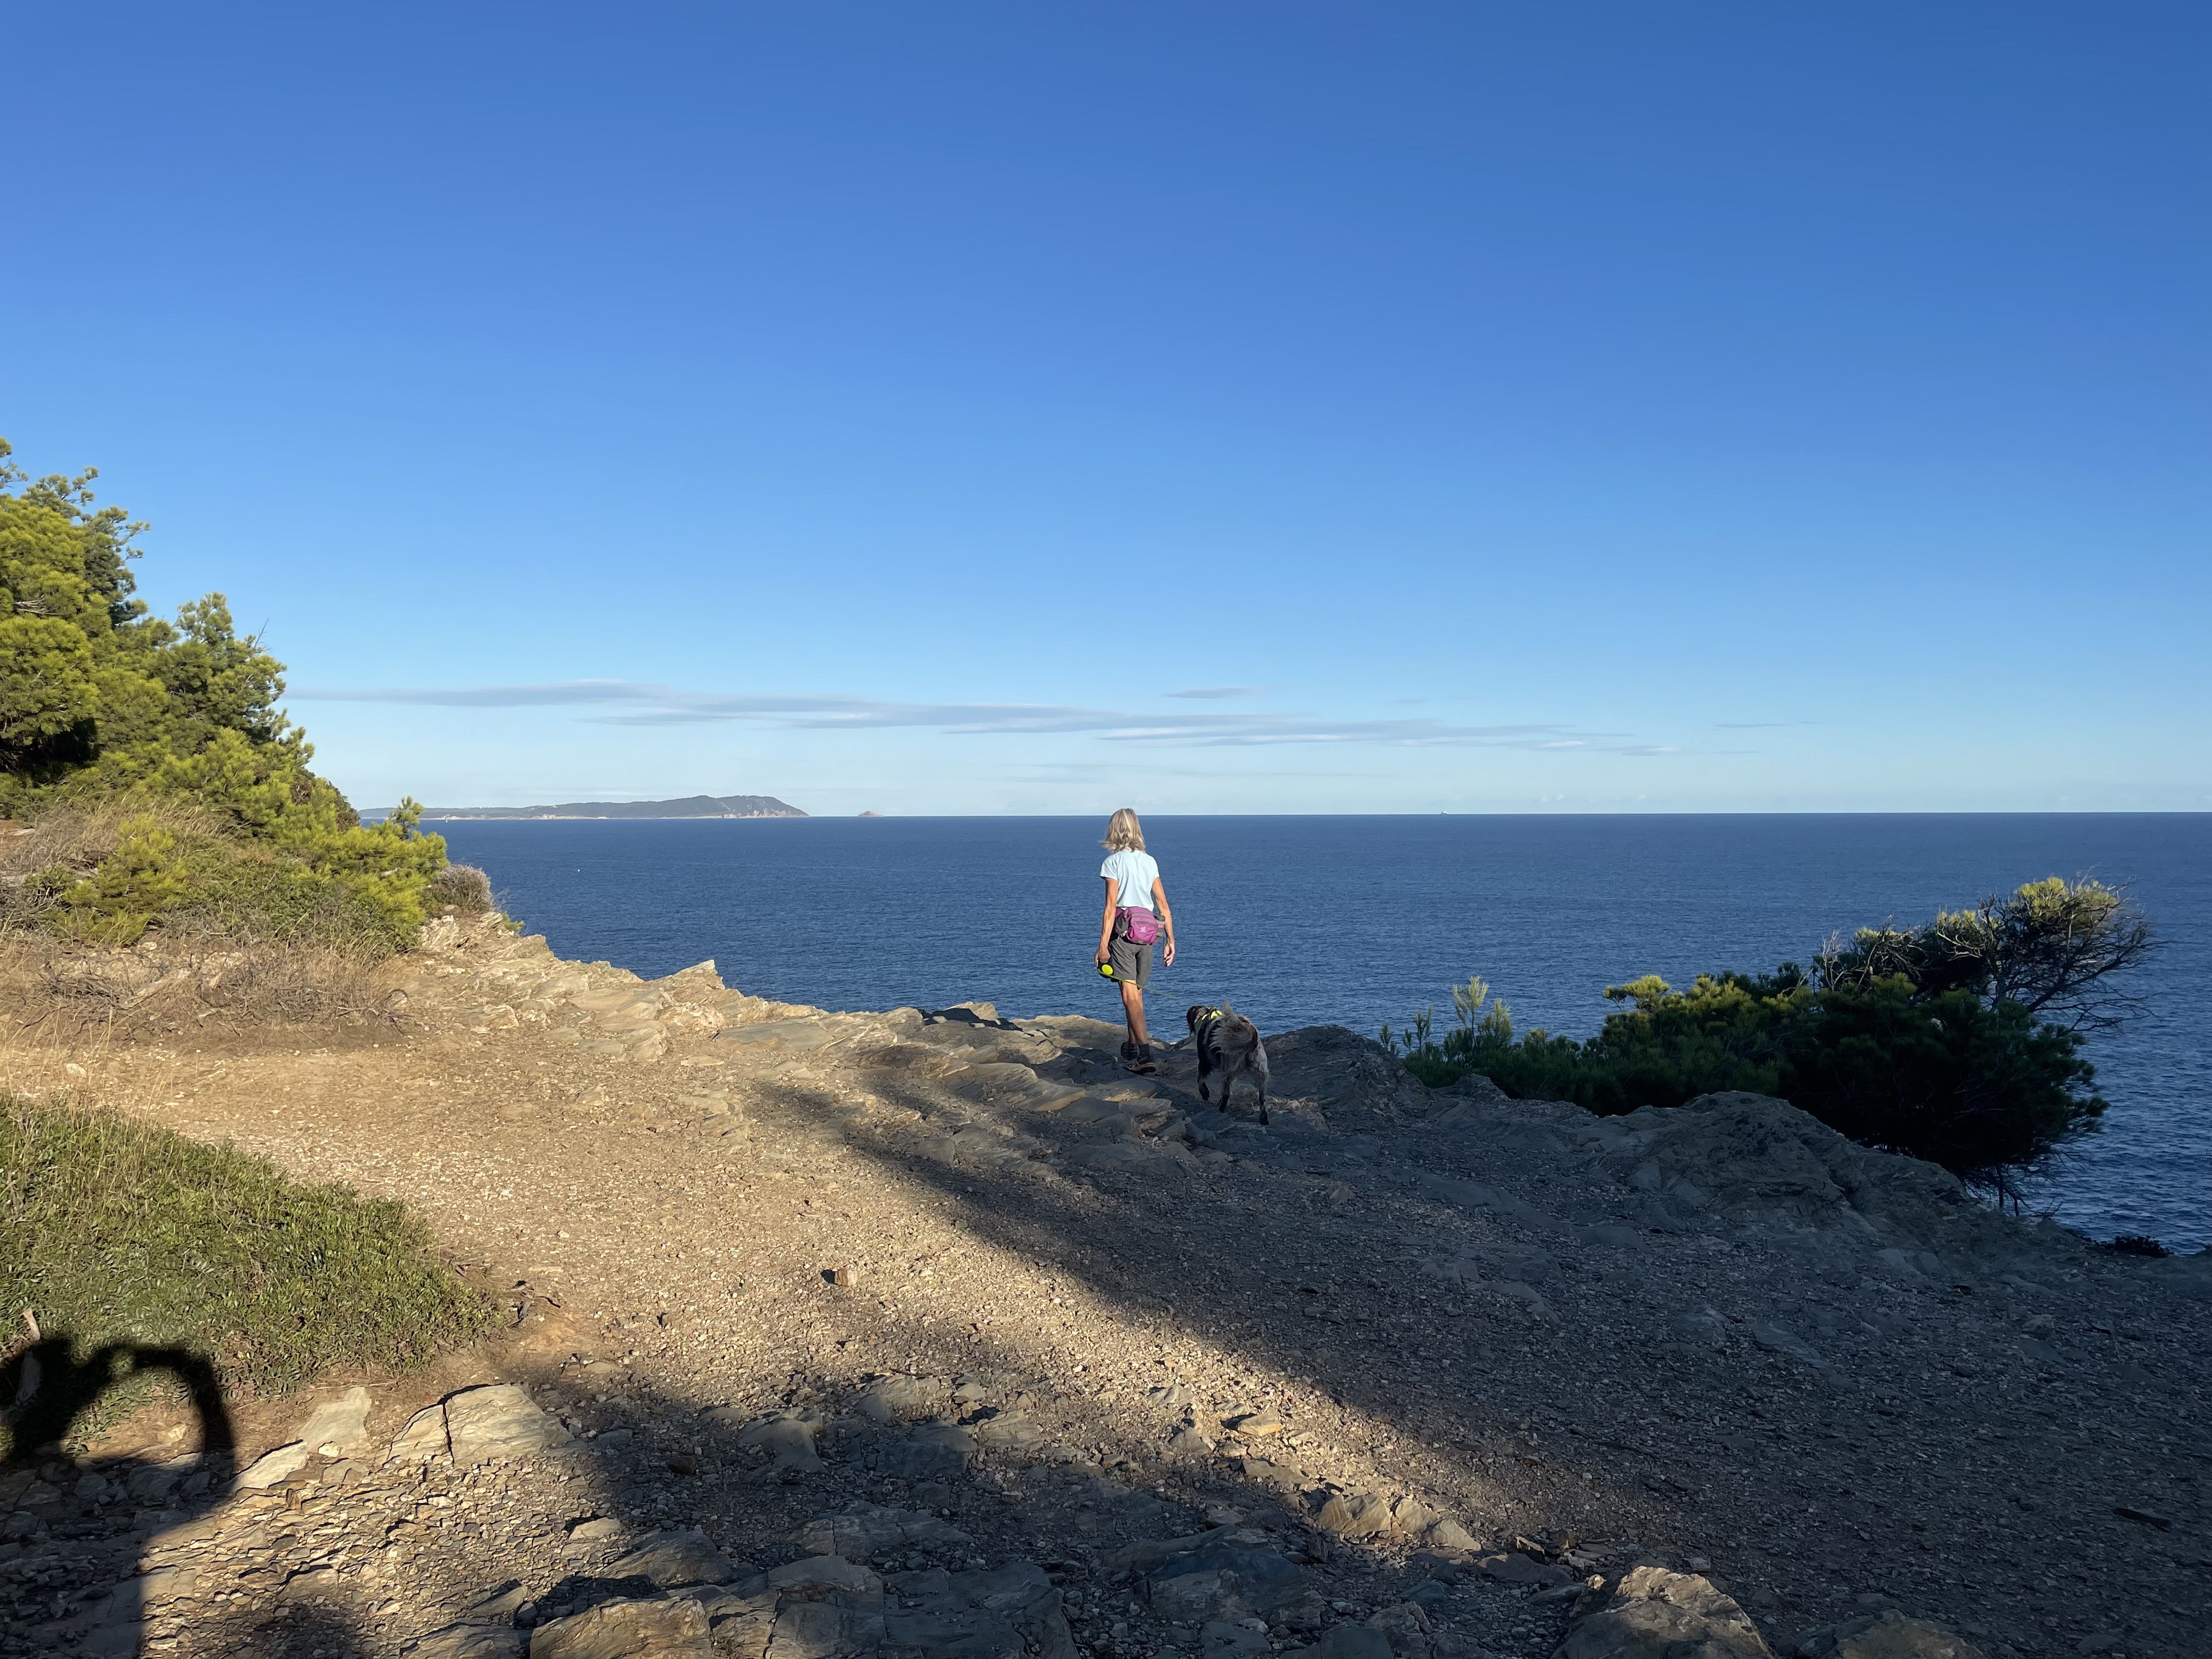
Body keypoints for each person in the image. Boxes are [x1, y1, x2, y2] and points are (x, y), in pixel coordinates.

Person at [1096, 808, 1176, 1073]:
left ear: (1114, 830)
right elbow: (1163, 905)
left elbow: (1110, 908)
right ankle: (1131, 1046)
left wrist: (1103, 946)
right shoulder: (1149, 861)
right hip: (1148, 935)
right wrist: (1170, 940)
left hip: (1123, 935)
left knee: (1130, 997)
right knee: (1136, 995)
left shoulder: (1113, 863)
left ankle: (1145, 1057)